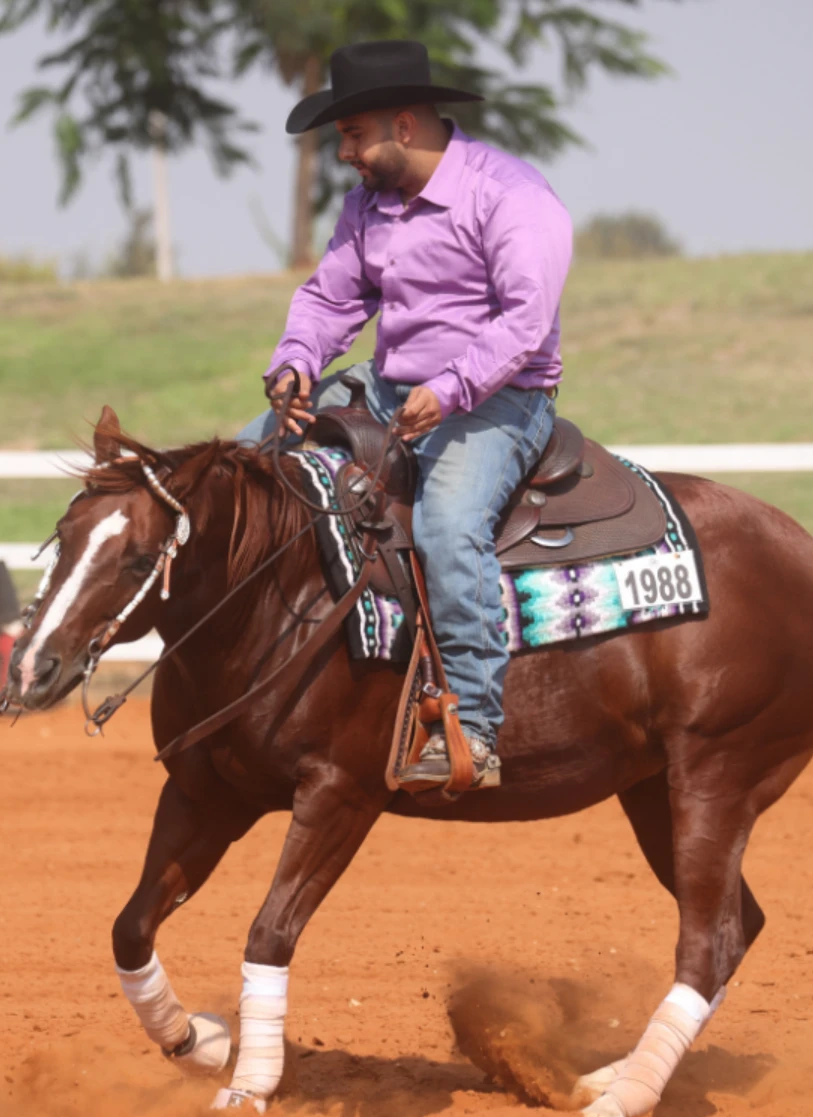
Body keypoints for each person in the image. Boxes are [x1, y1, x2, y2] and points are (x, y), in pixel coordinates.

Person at [238, 39, 573, 794]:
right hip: (391, 387)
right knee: (247, 461)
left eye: (354, 136)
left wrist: (452, 387)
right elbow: (331, 299)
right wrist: (296, 362)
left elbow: (525, 323)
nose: (345, 155)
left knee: (449, 524)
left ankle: (475, 728)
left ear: (406, 125)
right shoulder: (367, 208)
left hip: (502, 397)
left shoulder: (513, 197)